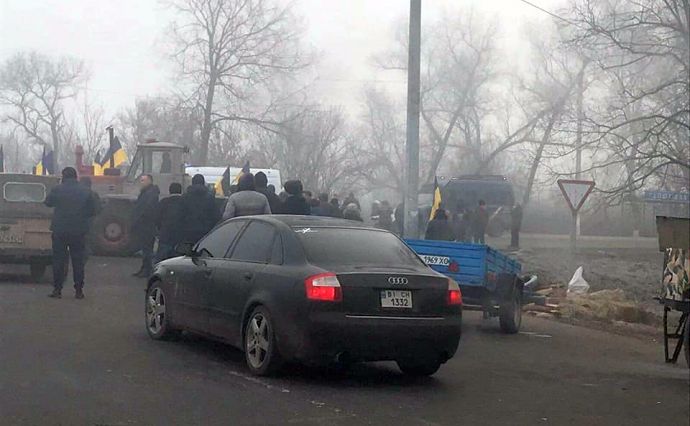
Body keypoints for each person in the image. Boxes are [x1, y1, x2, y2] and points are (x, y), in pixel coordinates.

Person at [45, 167, 96, 299]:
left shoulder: (57, 189)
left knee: (58, 260)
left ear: (63, 176)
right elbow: (93, 210)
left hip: (60, 230)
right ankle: (79, 290)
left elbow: (48, 202)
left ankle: (57, 289)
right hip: (79, 230)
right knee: (78, 261)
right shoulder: (85, 191)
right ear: (76, 176)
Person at [179, 174, 220, 244]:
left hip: (188, 232)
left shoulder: (185, 197)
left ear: (192, 183)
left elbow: (179, 214)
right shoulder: (210, 197)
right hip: (206, 232)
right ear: (203, 183)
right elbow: (216, 216)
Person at [132, 174, 160, 277]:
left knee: (147, 249)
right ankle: (144, 269)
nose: (141, 182)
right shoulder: (147, 193)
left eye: (143, 180)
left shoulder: (150, 194)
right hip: (145, 225)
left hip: (147, 226)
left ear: (150, 181)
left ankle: (147, 270)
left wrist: (139, 219)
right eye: (141, 180)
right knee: (145, 249)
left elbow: (146, 209)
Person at [155, 182, 183, 263]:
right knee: (177, 260)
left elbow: (157, 218)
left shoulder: (164, 202)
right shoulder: (185, 201)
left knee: (160, 260)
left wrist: (160, 229)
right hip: (180, 235)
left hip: (165, 234)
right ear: (181, 191)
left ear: (169, 191)